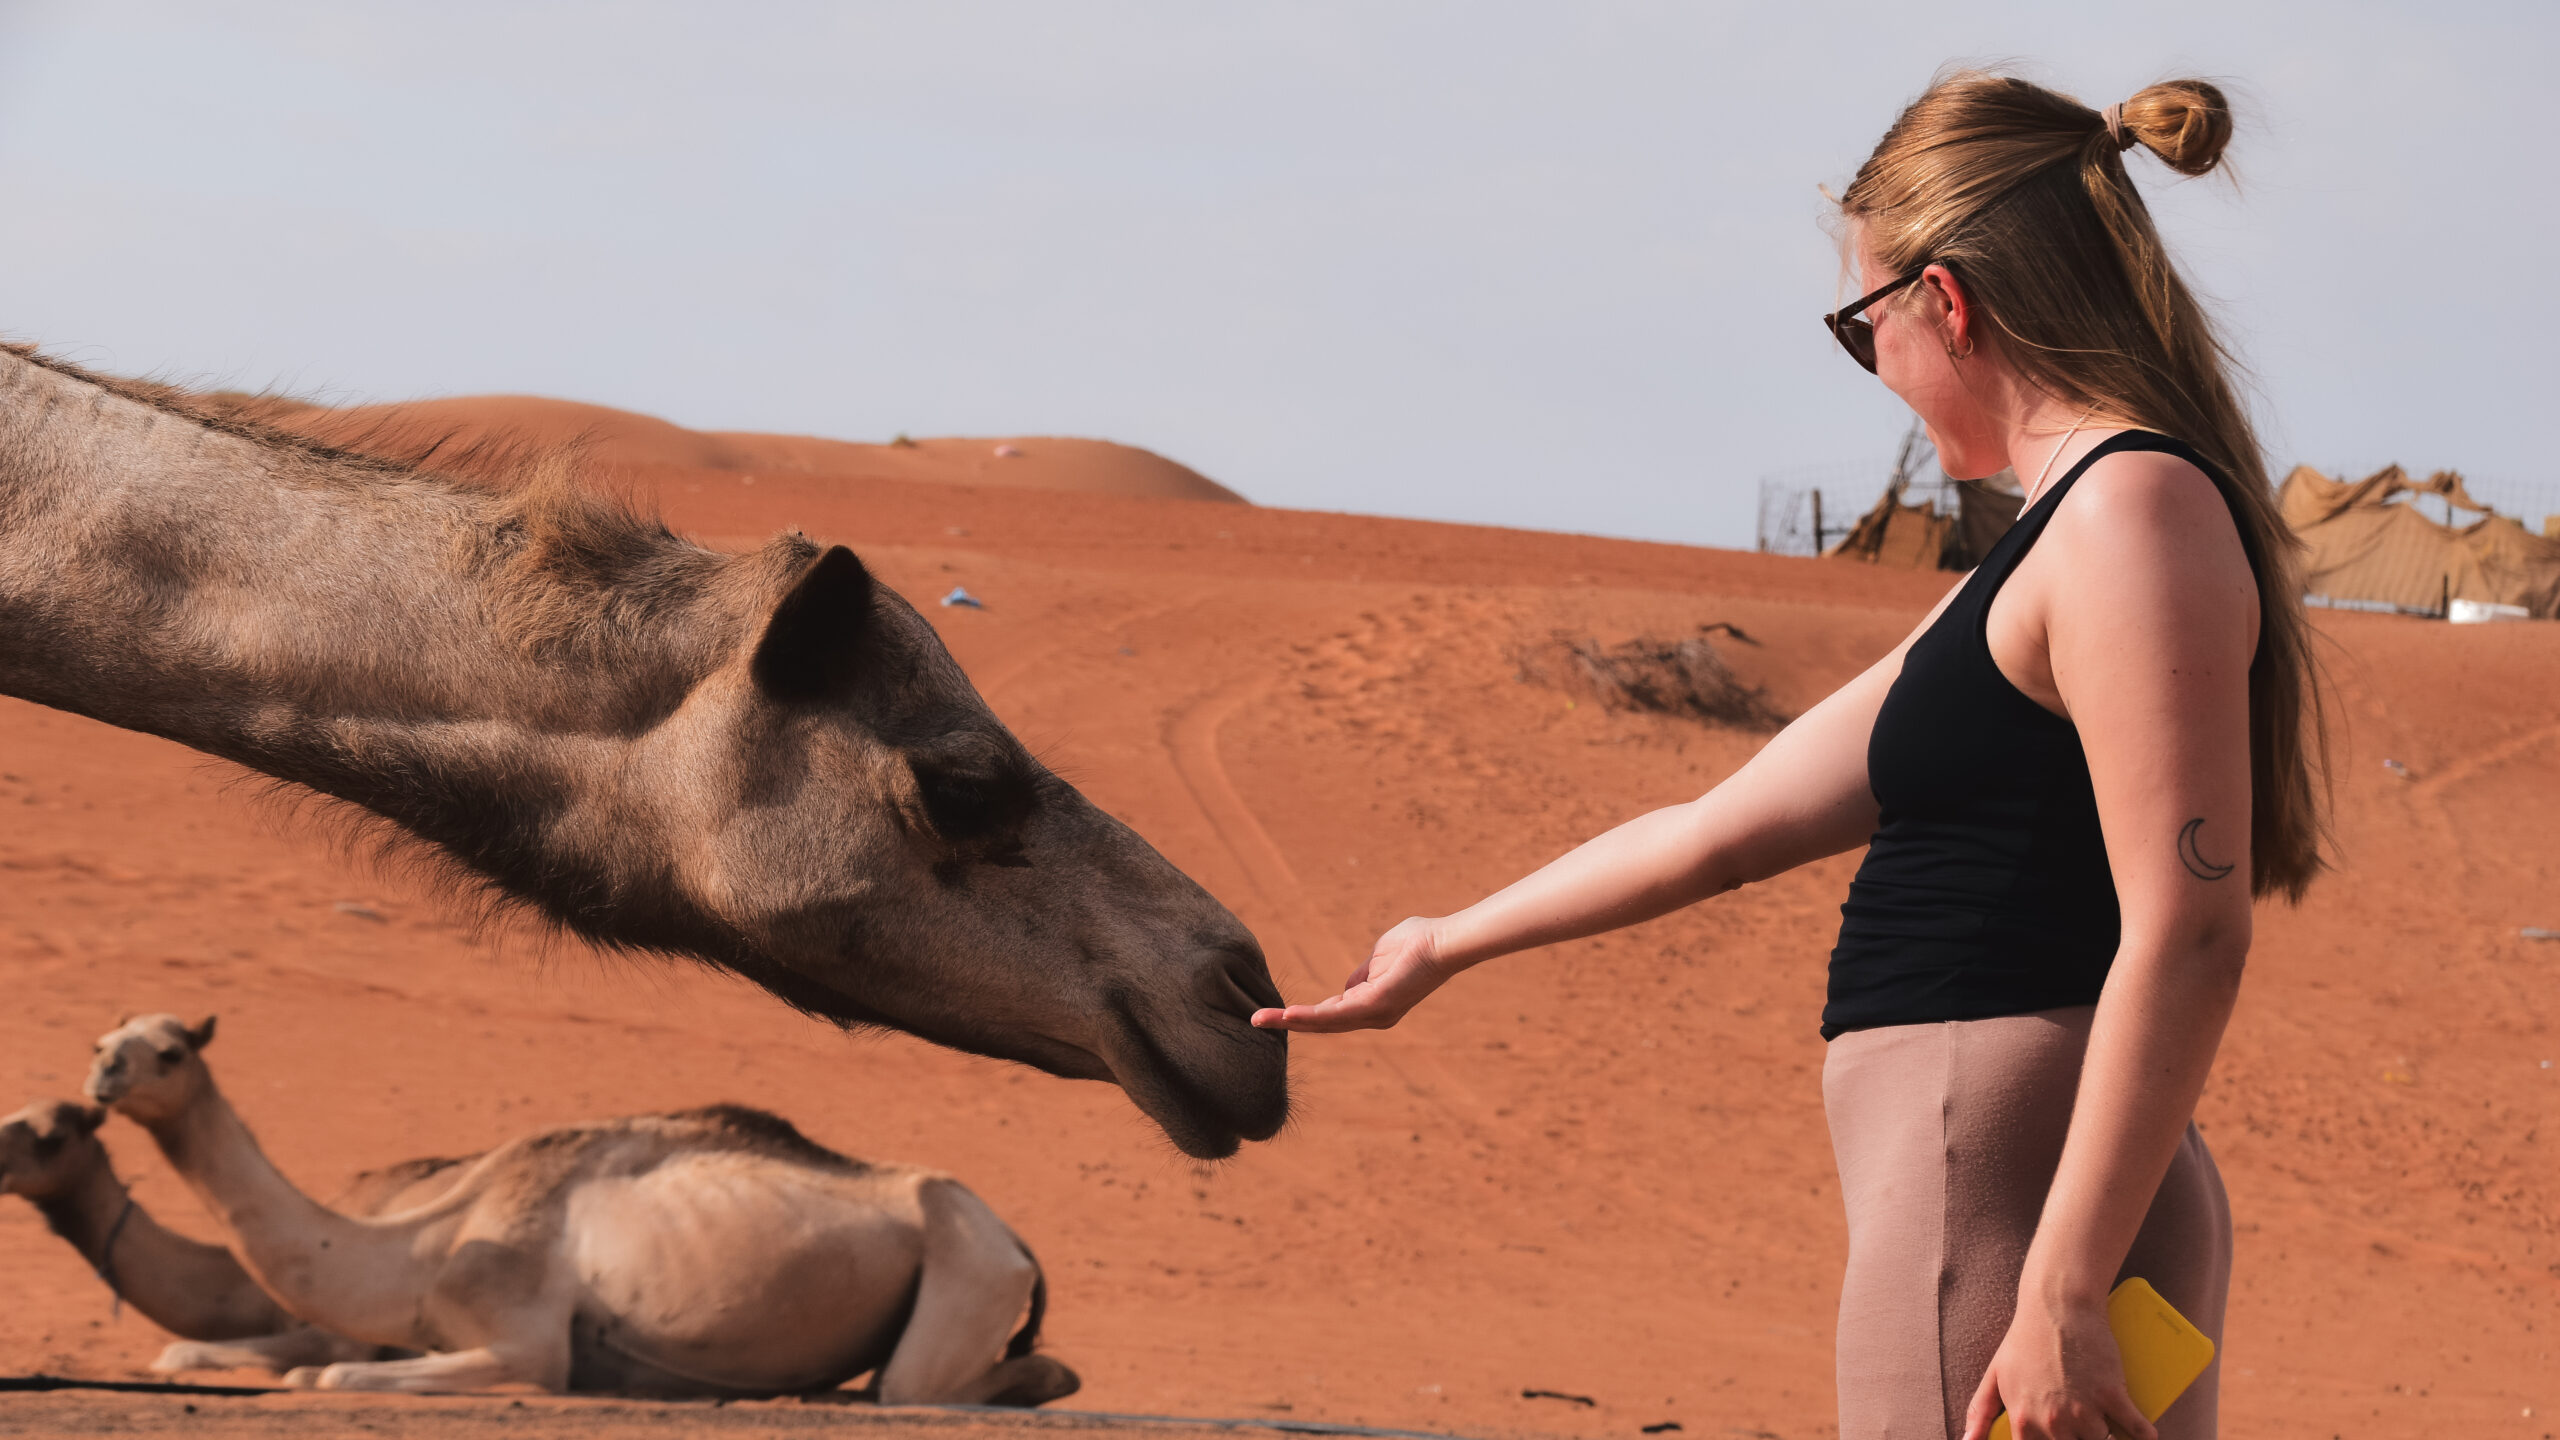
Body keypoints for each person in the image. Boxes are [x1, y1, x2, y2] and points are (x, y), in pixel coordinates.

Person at [1252, 70, 2325, 1440]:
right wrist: (1445, 941)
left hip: (2004, 1198)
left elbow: (2189, 927)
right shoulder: (2059, 542)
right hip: (2014, 1187)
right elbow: (1718, 828)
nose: (1873, 369)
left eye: (1858, 323)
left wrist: (2055, 1284)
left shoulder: (2129, 514)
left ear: (1944, 302)